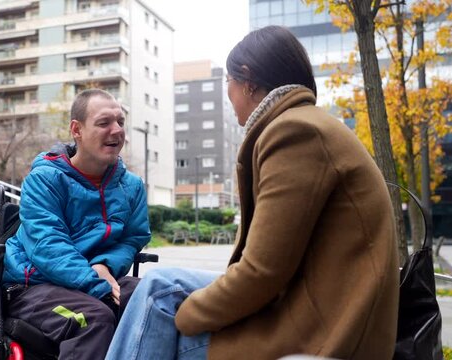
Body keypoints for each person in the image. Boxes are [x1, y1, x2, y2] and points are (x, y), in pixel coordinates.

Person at [105, 25, 399, 360]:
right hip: (318, 311)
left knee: (159, 302)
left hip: (323, 333)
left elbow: (262, 272)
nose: (228, 95)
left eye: (227, 83)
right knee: (158, 288)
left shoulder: (295, 132)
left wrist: (184, 317)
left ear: (247, 79)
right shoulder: (309, 124)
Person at [2, 89, 151, 360]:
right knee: (93, 319)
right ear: (76, 130)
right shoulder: (45, 180)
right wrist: (98, 285)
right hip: (36, 286)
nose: (117, 130)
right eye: (104, 123)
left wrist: (104, 264)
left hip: (103, 277)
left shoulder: (131, 187)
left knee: (153, 300)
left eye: (120, 122)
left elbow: (133, 238)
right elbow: (48, 246)